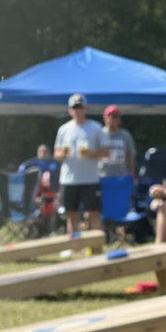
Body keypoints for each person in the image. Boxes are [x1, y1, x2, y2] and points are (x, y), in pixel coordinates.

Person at [54, 93, 108, 233]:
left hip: (90, 179)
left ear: (86, 109)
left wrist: (90, 154)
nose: (78, 111)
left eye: (80, 107)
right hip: (69, 179)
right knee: (71, 214)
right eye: (74, 108)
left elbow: (106, 152)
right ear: (70, 110)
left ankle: (97, 244)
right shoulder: (64, 129)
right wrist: (63, 154)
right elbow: (56, 154)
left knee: (93, 213)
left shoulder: (96, 128)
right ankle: (73, 246)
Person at [98, 105, 137, 178]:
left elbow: (130, 155)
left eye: (116, 117)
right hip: (103, 175)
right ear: (105, 118)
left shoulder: (125, 135)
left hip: (122, 175)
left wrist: (132, 173)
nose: (114, 119)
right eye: (111, 117)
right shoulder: (99, 134)